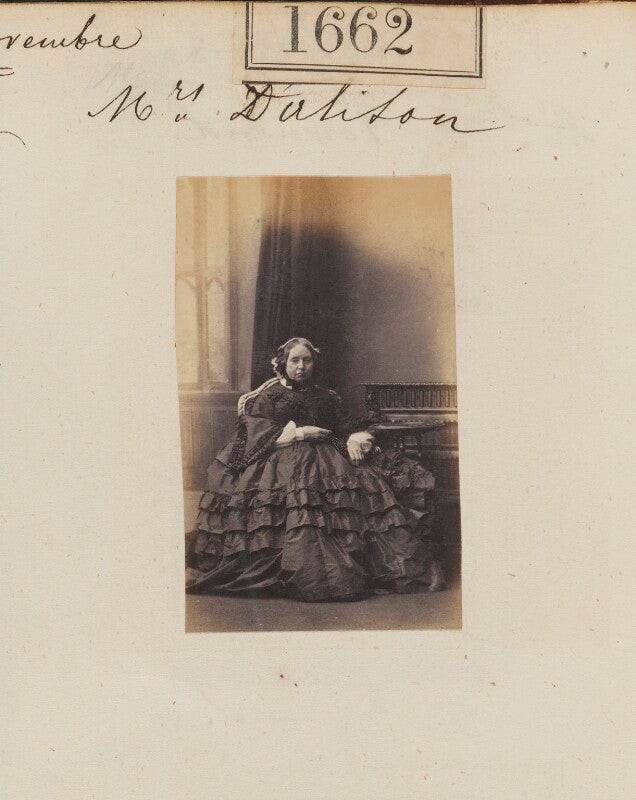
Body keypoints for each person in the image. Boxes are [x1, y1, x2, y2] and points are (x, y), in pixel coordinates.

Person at [186, 337, 443, 602]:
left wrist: (355, 439)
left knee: (371, 487)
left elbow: (347, 425)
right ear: (283, 363)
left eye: (306, 361)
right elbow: (253, 432)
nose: (301, 366)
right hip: (280, 459)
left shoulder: (325, 396)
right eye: (295, 360)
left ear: (313, 363)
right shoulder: (268, 396)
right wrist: (299, 433)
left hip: (329, 455)